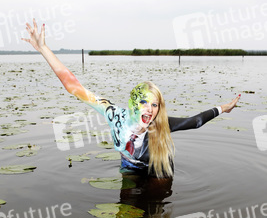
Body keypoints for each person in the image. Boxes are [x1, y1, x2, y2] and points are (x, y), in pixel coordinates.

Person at [22, 19, 241, 178]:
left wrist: (224, 108)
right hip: (129, 166)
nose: (150, 109)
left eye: (155, 104)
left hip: (159, 171)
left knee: (156, 209)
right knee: (125, 217)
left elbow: (196, 121)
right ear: (133, 104)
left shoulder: (159, 124)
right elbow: (74, 87)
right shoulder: (113, 114)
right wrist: (43, 49)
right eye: (144, 102)